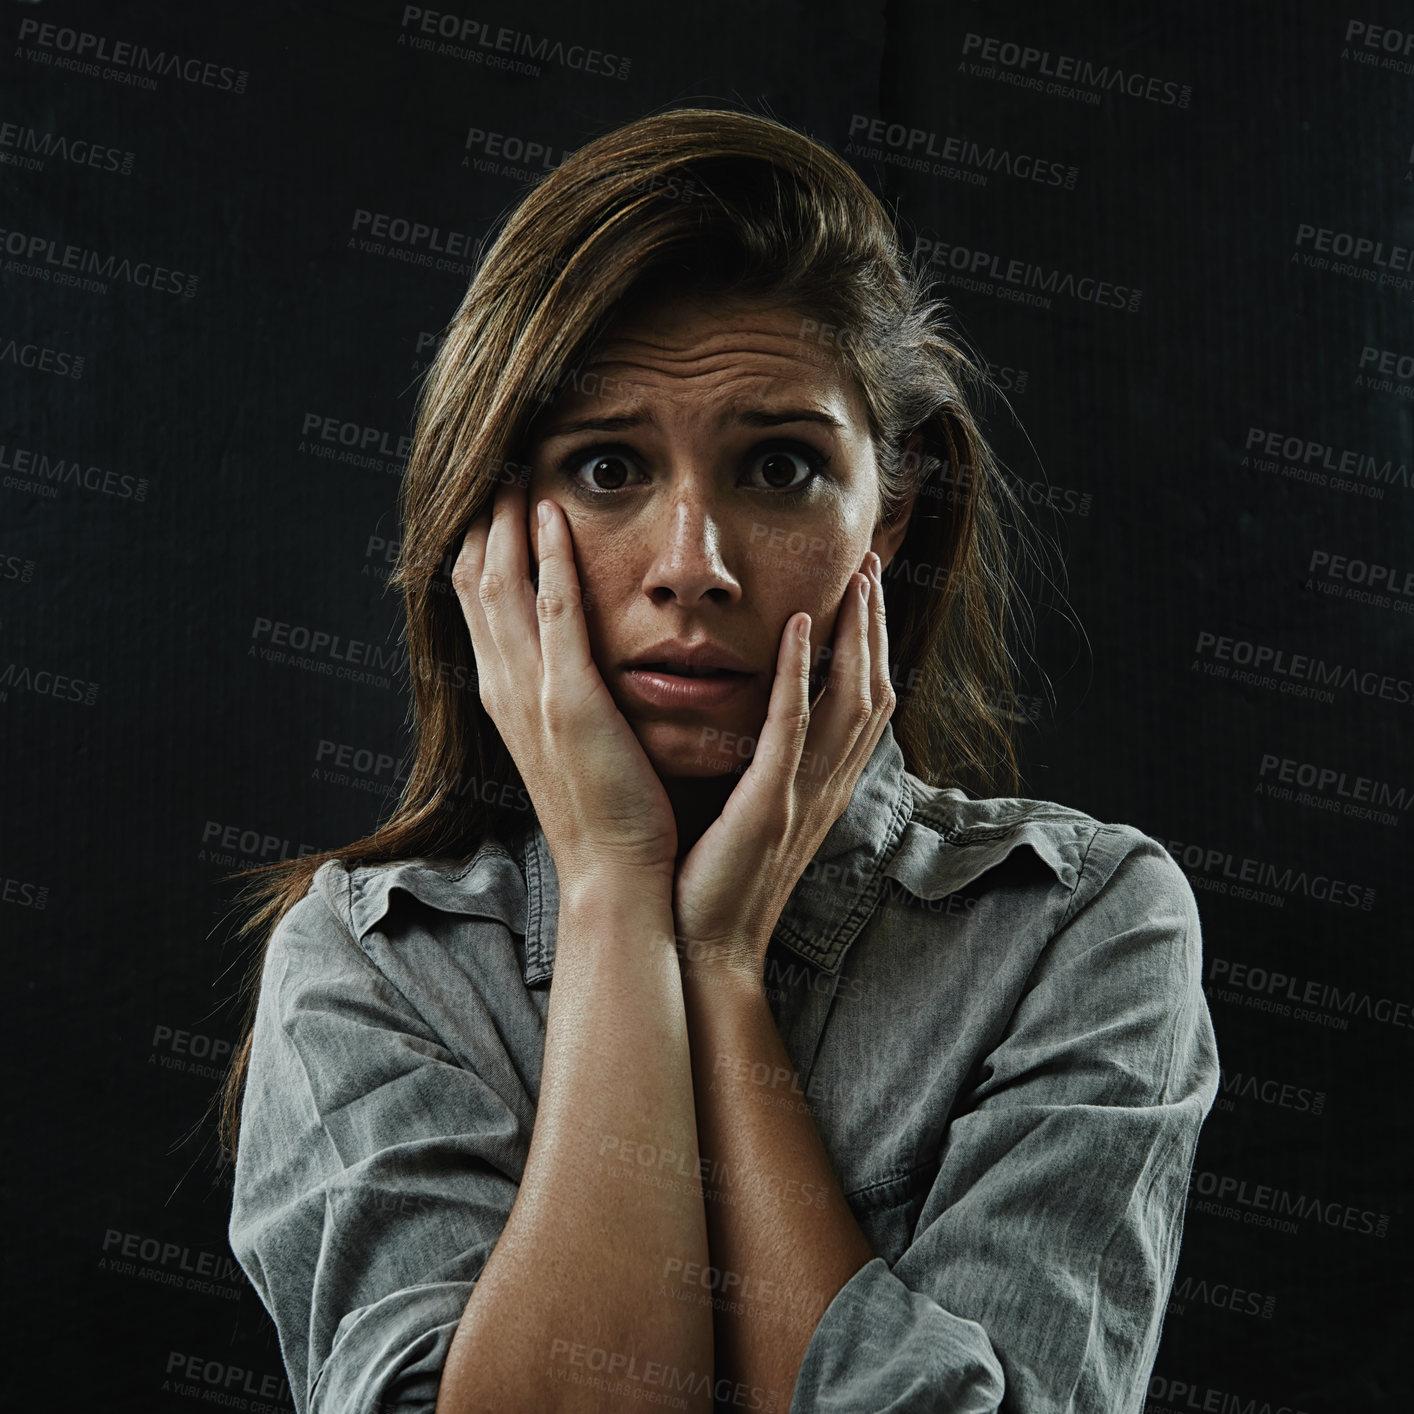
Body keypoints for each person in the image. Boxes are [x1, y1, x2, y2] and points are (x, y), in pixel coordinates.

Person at [219, 107, 1219, 1414]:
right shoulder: (369, 963)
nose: (693, 562)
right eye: (607, 464)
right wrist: (614, 894)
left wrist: (720, 963)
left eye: (783, 465)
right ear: (492, 529)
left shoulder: (1075, 927)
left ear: (892, 511)